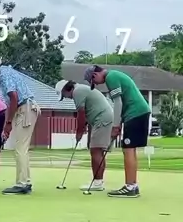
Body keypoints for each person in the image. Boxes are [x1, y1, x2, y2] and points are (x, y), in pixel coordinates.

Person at [84, 65, 151, 198]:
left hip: (135, 113)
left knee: (128, 149)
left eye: (94, 81)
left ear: (95, 75)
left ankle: (130, 187)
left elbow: (118, 103)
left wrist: (115, 126)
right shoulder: (114, 75)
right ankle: (133, 186)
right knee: (130, 149)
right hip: (138, 112)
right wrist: (119, 123)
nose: (97, 84)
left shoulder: (111, 77)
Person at [0, 61, 40, 195]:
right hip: (24, 109)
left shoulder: (4, 73)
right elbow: (9, 104)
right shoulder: (4, 74)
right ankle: (25, 182)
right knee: (22, 148)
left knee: (20, 148)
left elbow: (14, 98)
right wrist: (7, 125)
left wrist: (9, 123)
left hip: (25, 108)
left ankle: (22, 184)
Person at [56, 79, 114, 192]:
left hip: (102, 119)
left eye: (64, 95)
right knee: (98, 151)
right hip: (102, 118)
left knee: (96, 150)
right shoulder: (81, 89)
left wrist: (79, 132)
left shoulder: (77, 92)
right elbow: (88, 112)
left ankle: (97, 183)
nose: (67, 98)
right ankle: (98, 181)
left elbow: (81, 114)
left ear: (66, 89)